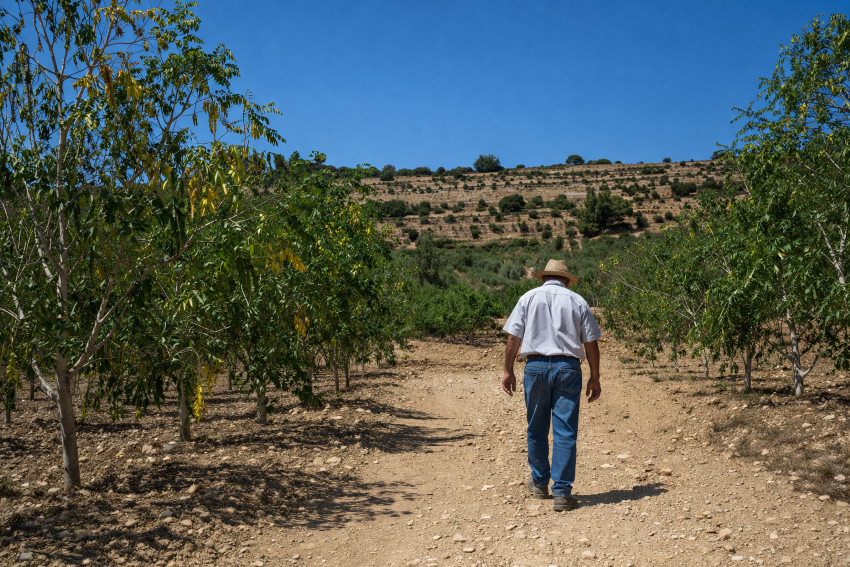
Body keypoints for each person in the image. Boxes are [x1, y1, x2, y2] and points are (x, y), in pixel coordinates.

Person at [501, 259, 602, 512]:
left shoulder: (528, 297)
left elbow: (514, 337)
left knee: (536, 428)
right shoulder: (577, 301)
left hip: (535, 368)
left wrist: (508, 370)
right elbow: (591, 342)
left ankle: (539, 482)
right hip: (568, 368)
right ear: (566, 280)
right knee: (565, 430)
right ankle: (562, 493)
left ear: (545, 277)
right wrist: (595, 376)